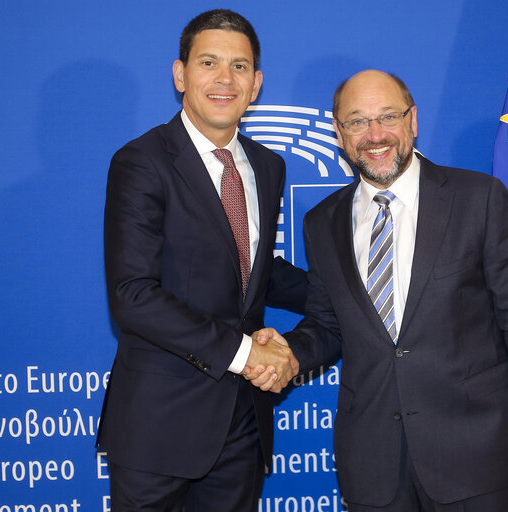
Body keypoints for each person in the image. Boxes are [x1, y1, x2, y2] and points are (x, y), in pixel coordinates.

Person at [247, 70, 508, 511]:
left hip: (476, 459)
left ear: (413, 120)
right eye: (357, 121)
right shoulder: (322, 222)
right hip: (374, 465)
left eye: (388, 117)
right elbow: (328, 325)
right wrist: (289, 352)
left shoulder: (478, 199)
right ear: (338, 133)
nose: (375, 135)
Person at [98, 9, 305, 512]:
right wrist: (244, 353)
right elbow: (133, 297)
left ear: (255, 84)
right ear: (180, 74)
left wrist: (350, 292)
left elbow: (251, 273)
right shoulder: (141, 162)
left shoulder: (267, 166)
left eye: (239, 67)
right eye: (208, 62)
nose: (224, 79)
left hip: (241, 424)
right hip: (159, 428)